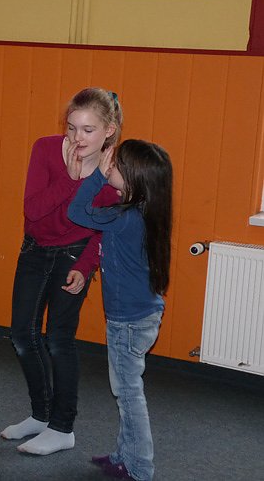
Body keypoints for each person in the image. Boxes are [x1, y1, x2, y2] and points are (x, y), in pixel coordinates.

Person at [0, 87, 122, 455]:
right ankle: (41, 415)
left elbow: (104, 229)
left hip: (75, 254)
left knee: (58, 339)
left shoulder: (113, 173)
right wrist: (70, 179)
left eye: (88, 130)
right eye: (71, 127)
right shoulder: (45, 149)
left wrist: (85, 268)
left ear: (109, 131)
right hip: (35, 250)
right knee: (22, 335)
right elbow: (34, 210)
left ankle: (62, 427)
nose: (77, 137)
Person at [68, 139, 172, 481]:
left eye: (114, 165)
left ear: (131, 178)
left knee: (128, 394)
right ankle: (124, 457)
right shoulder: (139, 211)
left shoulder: (124, 217)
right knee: (126, 390)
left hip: (128, 321)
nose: (108, 167)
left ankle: (140, 468)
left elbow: (76, 211)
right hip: (139, 316)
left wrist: (96, 176)